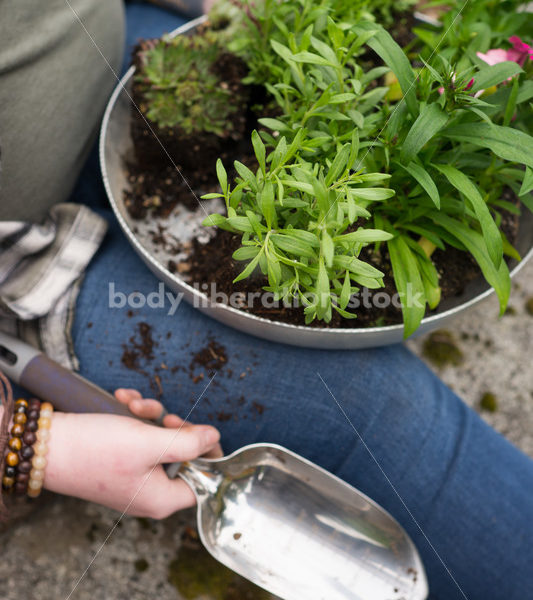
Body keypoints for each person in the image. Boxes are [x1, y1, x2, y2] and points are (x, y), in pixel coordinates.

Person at [0, 1, 532, 599]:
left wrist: (235, 10)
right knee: (375, 405)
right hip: (20, 270)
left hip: (101, 45)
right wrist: (29, 443)